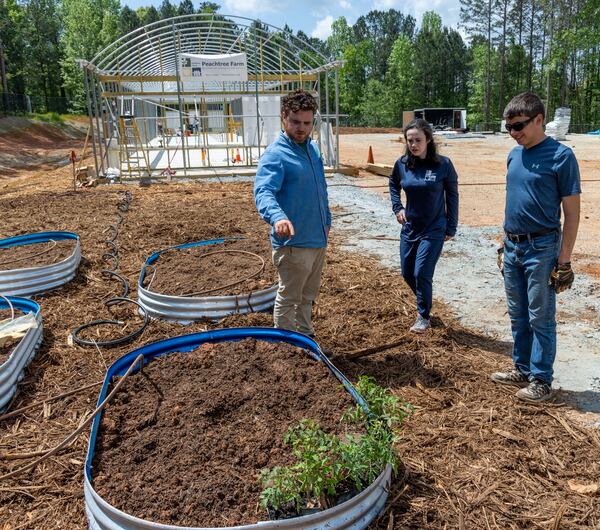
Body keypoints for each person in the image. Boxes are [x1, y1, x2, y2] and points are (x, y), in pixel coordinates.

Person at [491, 92, 581, 403]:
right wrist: (504, 245)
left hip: (542, 248)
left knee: (540, 316)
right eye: (509, 128)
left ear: (539, 119)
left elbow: (571, 213)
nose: (513, 133)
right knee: (518, 314)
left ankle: (541, 379)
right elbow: (512, 203)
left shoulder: (561, 157)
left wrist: (564, 261)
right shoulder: (514, 155)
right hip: (513, 247)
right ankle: (523, 367)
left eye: (518, 126)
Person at [254, 90, 331, 337]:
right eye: (295, 122)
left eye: (307, 123)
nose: (301, 128)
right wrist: (277, 216)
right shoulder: (276, 154)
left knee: (308, 296)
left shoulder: (313, 150)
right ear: (284, 117)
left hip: (316, 239)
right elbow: (264, 191)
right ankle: (287, 347)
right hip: (292, 243)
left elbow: (321, 190)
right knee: (289, 297)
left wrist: (326, 222)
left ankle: (306, 337)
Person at [389, 118, 459, 332]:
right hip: (410, 228)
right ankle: (424, 299)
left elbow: (453, 195)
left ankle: (424, 315)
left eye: (418, 140)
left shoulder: (443, 164)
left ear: (428, 139)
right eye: (409, 140)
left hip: (434, 228)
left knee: (421, 273)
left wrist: (451, 226)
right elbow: (393, 184)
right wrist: (397, 208)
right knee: (407, 273)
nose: (413, 145)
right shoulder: (402, 164)